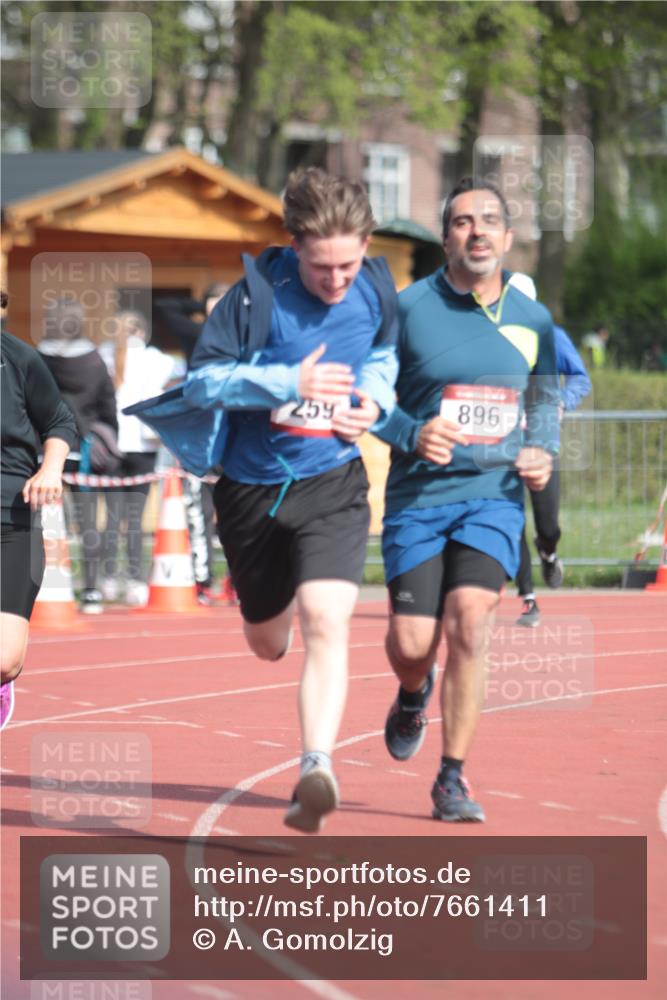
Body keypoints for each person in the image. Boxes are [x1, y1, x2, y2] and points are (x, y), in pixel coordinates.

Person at [128, 167, 399, 832]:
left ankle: (316, 767)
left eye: (347, 263)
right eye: (321, 267)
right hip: (251, 492)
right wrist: (287, 380)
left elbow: (385, 359)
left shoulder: (376, 287)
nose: (337, 280)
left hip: (333, 481)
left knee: (327, 620)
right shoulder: (254, 297)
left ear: (365, 244)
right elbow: (204, 383)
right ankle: (266, 630)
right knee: (267, 640)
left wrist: (373, 401)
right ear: (294, 245)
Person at [375, 177, 560, 823]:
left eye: (488, 221)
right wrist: (409, 431)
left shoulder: (533, 318)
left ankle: (450, 777)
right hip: (417, 500)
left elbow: (544, 396)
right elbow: (369, 401)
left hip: (492, 496)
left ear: (506, 239)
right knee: (410, 641)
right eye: (461, 222)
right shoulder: (403, 309)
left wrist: (541, 448)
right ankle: (409, 692)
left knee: (470, 623)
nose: (475, 231)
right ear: (445, 237)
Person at [1, 293, 77, 730]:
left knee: (6, 659)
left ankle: (2, 682)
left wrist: (50, 468)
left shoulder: (18, 359)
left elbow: (60, 422)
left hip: (11, 518)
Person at [508, 273, 592, 627]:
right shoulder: (491, 337)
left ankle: (549, 550)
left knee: (547, 523)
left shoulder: (551, 336)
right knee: (511, 520)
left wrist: (561, 402)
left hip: (541, 440)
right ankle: (528, 598)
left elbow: (579, 377)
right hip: (503, 441)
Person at [38, 298, 118, 613]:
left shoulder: (36, 357)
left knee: (37, 522)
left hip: (44, 448)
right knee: (87, 522)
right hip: (82, 447)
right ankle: (91, 590)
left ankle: (36, 588)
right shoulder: (94, 360)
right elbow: (107, 403)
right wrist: (108, 438)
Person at [155, 283, 233, 604]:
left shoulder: (246, 337)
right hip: (199, 437)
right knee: (198, 512)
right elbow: (164, 307)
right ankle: (202, 581)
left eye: (224, 302)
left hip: (234, 436)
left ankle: (240, 580)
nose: (218, 307)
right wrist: (199, 302)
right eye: (214, 301)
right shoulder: (196, 333)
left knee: (236, 512)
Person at [98, 311, 176, 606]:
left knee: (112, 518)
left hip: (112, 446)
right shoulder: (157, 359)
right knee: (134, 519)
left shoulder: (103, 355)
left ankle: (105, 581)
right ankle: (134, 582)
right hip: (143, 445)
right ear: (142, 333)